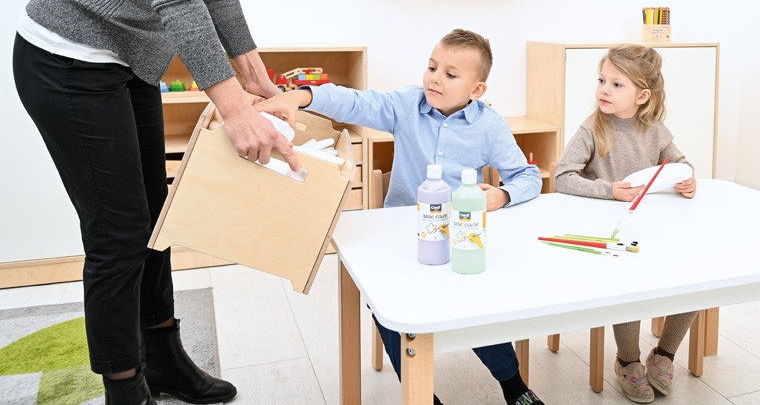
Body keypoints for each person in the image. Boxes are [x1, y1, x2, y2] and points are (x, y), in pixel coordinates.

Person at [12, 0, 367, 405]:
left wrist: (255, 77)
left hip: (127, 61)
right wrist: (233, 110)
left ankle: (165, 357)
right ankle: (125, 386)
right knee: (118, 233)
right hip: (67, 57)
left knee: (157, 219)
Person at [256, 28, 545, 405]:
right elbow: (354, 102)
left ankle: (514, 386)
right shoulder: (406, 105)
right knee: (386, 303)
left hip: (461, 235)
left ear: (477, 90)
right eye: (432, 66)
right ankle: (422, 393)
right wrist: (301, 95)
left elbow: (527, 176)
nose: (435, 78)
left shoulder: (490, 126)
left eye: (450, 74)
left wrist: (502, 195)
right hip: (401, 234)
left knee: (476, 300)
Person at [553, 44, 697, 403]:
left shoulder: (656, 131)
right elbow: (562, 176)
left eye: (617, 84)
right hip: (610, 233)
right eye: (602, 80)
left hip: (653, 228)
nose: (604, 89)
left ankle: (664, 353)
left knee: (696, 277)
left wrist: (687, 179)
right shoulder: (592, 129)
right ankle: (628, 361)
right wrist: (608, 191)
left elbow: (681, 165)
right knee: (628, 286)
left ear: (642, 96)